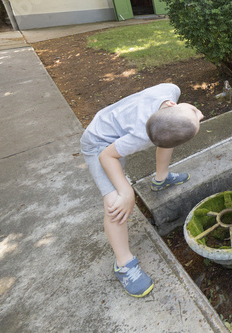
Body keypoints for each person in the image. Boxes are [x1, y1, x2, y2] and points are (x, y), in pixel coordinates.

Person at [80, 83, 204, 297]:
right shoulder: (139, 135)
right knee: (115, 202)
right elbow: (107, 157)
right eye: (195, 112)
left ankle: (161, 178)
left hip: (116, 124)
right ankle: (124, 263)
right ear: (173, 105)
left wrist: (187, 116)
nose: (200, 113)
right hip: (99, 143)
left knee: (169, 132)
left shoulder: (170, 90)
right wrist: (126, 192)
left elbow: (168, 125)